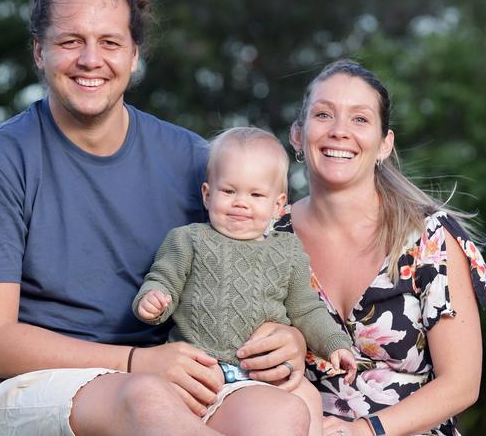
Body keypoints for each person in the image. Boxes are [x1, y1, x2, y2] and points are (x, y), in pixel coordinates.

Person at [0, 0, 310, 435]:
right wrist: (136, 362)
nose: (90, 60)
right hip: (23, 385)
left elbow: (270, 266)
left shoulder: (191, 159)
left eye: (109, 42)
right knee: (146, 399)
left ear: (134, 55)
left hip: (170, 371)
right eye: (71, 41)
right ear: (39, 51)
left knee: (282, 412)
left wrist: (290, 338)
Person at [275, 59, 486, 436]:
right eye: (324, 114)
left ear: (384, 144)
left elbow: (461, 383)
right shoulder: (269, 237)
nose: (340, 131)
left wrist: (364, 430)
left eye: (360, 119)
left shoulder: (430, 238)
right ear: (298, 134)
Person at [133, 127, 357, 435]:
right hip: (199, 370)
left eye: (255, 195)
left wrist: (335, 344)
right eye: (229, 191)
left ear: (278, 206)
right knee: (166, 409)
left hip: (264, 373)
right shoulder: (188, 240)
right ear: (207, 194)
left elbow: (306, 309)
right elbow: (163, 280)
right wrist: (153, 300)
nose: (241, 203)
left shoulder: (287, 250)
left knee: (307, 398)